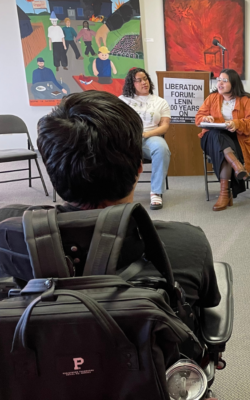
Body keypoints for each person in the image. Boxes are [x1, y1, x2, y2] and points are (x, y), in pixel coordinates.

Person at [0, 90, 220, 314]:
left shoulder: (7, 232)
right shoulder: (187, 243)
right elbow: (208, 306)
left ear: (50, 169)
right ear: (138, 170)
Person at [194, 69, 250, 211]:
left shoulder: (246, 100)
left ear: (234, 83)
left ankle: (225, 193)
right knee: (218, 135)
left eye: (225, 80)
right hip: (210, 138)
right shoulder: (212, 98)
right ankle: (237, 166)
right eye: (219, 80)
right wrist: (205, 118)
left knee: (223, 148)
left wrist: (237, 124)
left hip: (237, 139)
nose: (220, 83)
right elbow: (199, 117)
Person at [119, 68, 171, 210]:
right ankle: (122, 192)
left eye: (146, 79)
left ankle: (156, 192)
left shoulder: (160, 102)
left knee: (162, 149)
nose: (144, 82)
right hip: (128, 138)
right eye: (139, 80)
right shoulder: (122, 101)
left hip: (151, 136)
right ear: (131, 83)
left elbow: (164, 126)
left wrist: (146, 135)